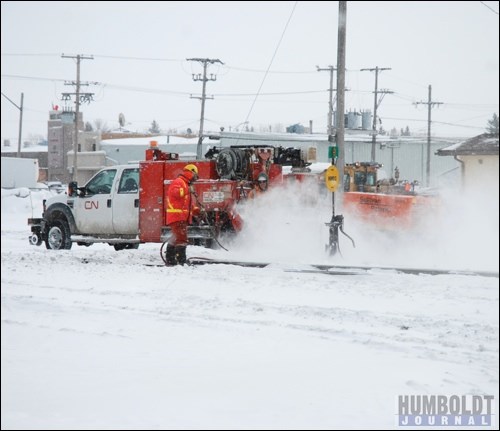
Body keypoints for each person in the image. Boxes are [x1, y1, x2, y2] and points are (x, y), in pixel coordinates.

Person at [165, 164, 199, 265]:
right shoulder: (179, 182)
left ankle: (171, 259)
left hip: (181, 217)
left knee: (176, 237)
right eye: (195, 176)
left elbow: (187, 203)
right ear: (190, 173)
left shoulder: (186, 184)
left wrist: (196, 210)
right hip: (177, 216)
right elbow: (175, 193)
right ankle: (181, 261)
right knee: (181, 238)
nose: (195, 178)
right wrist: (188, 190)